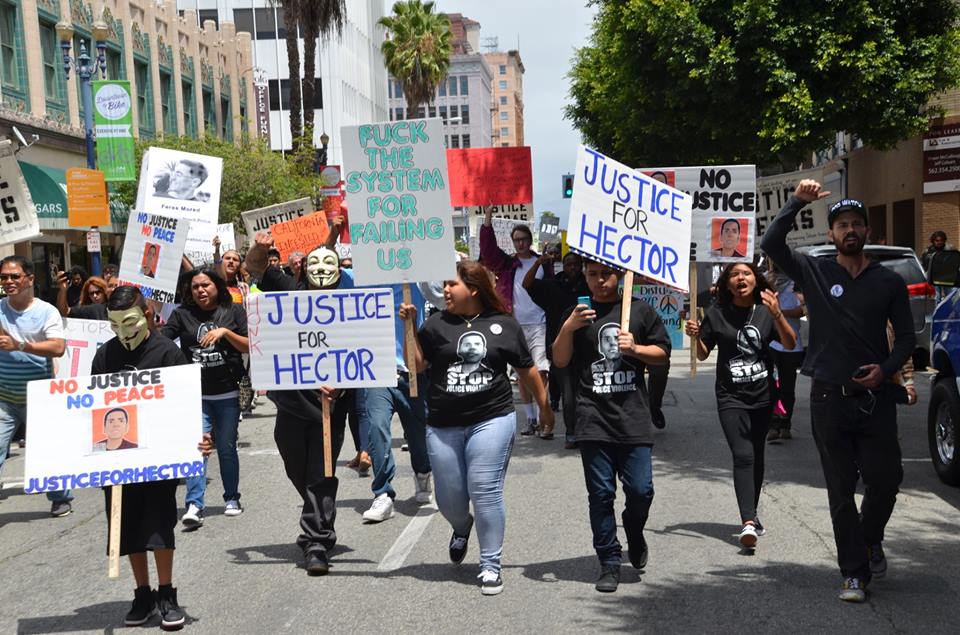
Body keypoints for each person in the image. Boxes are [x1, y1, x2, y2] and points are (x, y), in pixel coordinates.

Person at [761, 181, 915, 603]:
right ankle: (853, 572)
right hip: (829, 397)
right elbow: (771, 242)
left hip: (875, 398)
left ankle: (868, 541)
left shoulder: (888, 282)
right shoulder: (815, 269)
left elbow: (904, 339)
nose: (849, 230)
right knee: (841, 488)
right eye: (842, 225)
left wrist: (884, 372)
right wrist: (798, 202)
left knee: (886, 481)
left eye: (856, 224)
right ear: (831, 234)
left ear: (867, 232)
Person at [399, 260, 553, 595]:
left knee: (485, 489)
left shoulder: (504, 325)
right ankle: (461, 525)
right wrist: (410, 327)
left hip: (492, 419)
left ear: (473, 288)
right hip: (443, 425)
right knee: (449, 499)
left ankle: (490, 565)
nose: (445, 291)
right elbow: (419, 366)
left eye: (451, 284)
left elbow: (527, 370)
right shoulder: (435, 324)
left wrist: (545, 408)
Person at [93, 284, 212, 628]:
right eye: (114, 325)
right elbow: (94, 406)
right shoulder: (104, 355)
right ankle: (142, 592)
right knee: (128, 527)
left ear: (147, 314)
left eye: (128, 322)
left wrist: (198, 439)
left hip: (159, 457)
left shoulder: (167, 353)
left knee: (160, 525)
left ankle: (166, 592)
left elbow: (184, 405)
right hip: (120, 458)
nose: (122, 332)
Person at [552, 258, 671, 593]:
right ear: (585, 277)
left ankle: (634, 529)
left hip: (633, 417)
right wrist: (567, 329)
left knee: (641, 490)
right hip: (592, 419)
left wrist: (636, 348)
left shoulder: (639, 310)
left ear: (619, 275)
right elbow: (559, 360)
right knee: (601, 494)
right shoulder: (577, 314)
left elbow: (662, 354)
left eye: (606, 274)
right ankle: (609, 560)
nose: (599, 280)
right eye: (592, 275)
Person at [244, 232, 356, 574]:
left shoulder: (351, 305)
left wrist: (342, 386)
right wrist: (261, 248)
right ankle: (316, 517)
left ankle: (317, 540)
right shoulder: (289, 292)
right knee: (298, 470)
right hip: (291, 405)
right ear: (304, 269)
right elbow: (256, 266)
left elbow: (363, 354)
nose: (322, 270)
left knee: (321, 473)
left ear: (339, 271)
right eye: (315, 264)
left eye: (329, 264)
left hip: (329, 408)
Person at [684, 262, 796, 549]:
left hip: (763, 396)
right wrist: (696, 336)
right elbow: (704, 353)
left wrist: (778, 314)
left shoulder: (765, 311)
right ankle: (747, 521)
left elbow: (790, 342)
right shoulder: (717, 313)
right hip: (730, 396)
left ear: (755, 280)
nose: (741, 278)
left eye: (746, 273)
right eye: (734, 274)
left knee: (756, 454)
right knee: (743, 454)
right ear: (727, 283)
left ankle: (753, 514)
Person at [161, 268, 248, 527]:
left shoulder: (233, 311)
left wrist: (225, 333)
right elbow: (163, 342)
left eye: (205, 285)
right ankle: (194, 504)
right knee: (198, 448)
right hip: (196, 395)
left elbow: (248, 345)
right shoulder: (182, 314)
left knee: (227, 448)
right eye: (195, 286)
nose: (200, 290)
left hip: (228, 392)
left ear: (217, 287)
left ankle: (231, 498)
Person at [356, 283, 433, 523]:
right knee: (377, 428)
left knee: (418, 433)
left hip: (412, 370)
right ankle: (382, 493)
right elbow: (327, 280)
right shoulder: (360, 278)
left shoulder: (419, 282)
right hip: (377, 371)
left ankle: (422, 473)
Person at [0, 256, 69, 514]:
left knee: (47, 451)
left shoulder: (46, 312)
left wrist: (19, 344)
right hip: (4, 397)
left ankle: (61, 497)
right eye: (4, 277)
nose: (9, 281)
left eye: (15, 276)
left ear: (30, 279)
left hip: (39, 396)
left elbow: (58, 348)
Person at [480, 207, 554, 435]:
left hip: (540, 323)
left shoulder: (543, 263)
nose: (519, 243)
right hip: (516, 325)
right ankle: (531, 418)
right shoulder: (508, 264)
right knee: (523, 372)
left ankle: (545, 414)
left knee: (541, 370)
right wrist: (488, 220)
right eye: (516, 240)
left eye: (523, 240)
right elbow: (488, 251)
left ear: (530, 240)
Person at [523, 250, 590, 445]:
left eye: (577, 264)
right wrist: (537, 264)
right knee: (568, 391)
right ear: (563, 266)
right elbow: (527, 284)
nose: (573, 268)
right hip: (560, 347)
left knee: (585, 390)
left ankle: (589, 428)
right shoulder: (554, 286)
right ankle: (571, 432)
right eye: (569, 264)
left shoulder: (588, 286)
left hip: (586, 345)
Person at [765, 259, 806, 442]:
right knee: (773, 386)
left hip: (791, 345)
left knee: (788, 387)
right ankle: (773, 424)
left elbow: (803, 310)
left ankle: (785, 423)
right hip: (771, 344)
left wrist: (780, 314)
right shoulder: (766, 280)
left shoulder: (796, 282)